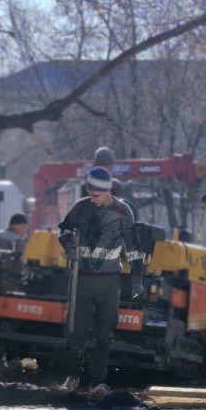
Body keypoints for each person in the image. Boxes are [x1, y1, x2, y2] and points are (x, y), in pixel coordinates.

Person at [57, 166, 144, 398]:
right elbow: (63, 231)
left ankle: (98, 382)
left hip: (108, 283)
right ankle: (73, 376)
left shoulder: (122, 211)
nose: (92, 199)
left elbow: (133, 247)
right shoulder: (80, 208)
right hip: (81, 281)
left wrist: (136, 277)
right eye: (90, 194)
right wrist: (69, 246)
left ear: (107, 191)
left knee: (105, 334)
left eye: (97, 195)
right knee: (77, 331)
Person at [0, 213, 30, 368]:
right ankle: (12, 356)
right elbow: (24, 265)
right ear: (17, 225)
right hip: (11, 288)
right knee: (11, 322)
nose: (24, 230)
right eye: (24, 227)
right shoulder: (18, 241)